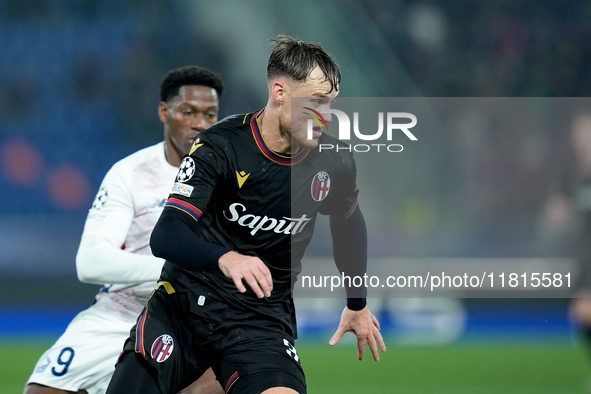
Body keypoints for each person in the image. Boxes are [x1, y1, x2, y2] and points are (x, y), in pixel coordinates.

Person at [106, 36, 387, 394]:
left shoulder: (335, 160)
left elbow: (348, 226)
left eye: (330, 104)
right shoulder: (221, 145)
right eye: (316, 101)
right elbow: (167, 234)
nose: (326, 116)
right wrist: (225, 258)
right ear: (281, 92)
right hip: (185, 308)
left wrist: (357, 304)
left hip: (260, 321)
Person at [24, 66, 226, 394]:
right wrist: (184, 269)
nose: (200, 124)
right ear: (164, 111)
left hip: (193, 322)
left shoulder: (231, 179)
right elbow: (91, 262)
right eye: (188, 112)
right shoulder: (130, 173)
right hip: (120, 315)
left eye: (210, 114)